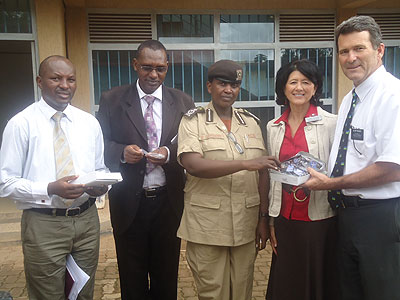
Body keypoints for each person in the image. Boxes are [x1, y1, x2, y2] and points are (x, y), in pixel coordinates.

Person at [303, 15, 400, 300]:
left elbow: (393, 168)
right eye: (344, 51)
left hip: (381, 218)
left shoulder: (393, 96)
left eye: (359, 49)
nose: (350, 58)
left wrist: (330, 184)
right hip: (347, 216)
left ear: (379, 50)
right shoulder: (350, 98)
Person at [0, 55, 108, 300]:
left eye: (71, 79)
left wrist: (100, 186)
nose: (64, 85)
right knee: (48, 295)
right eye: (56, 78)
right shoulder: (21, 124)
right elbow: (5, 182)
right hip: (43, 224)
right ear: (40, 81)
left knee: (82, 292)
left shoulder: (89, 123)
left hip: (86, 221)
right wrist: (49, 188)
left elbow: (99, 168)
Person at [97, 40, 194, 300]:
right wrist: (120, 152)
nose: (153, 75)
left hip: (168, 202)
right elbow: (99, 143)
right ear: (135, 65)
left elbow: (192, 143)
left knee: (166, 276)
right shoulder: (112, 100)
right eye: (147, 67)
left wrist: (170, 153)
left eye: (160, 69)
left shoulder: (183, 101)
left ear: (167, 67)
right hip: (129, 202)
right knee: (132, 277)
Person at [177, 59, 280, 300]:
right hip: (207, 225)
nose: (228, 90)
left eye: (234, 85)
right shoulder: (193, 121)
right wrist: (245, 164)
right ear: (209, 86)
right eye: (222, 84)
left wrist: (263, 218)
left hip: (246, 223)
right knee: (213, 292)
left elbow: (263, 172)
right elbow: (193, 165)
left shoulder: (251, 122)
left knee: (242, 290)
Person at [265, 59, 338, 300]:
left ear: (315, 88)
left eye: (306, 82)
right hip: (285, 217)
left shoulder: (331, 124)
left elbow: (339, 170)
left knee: (317, 280)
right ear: (283, 88)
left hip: (318, 217)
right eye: (293, 82)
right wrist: (272, 221)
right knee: (288, 281)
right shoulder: (273, 126)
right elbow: (272, 177)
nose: (299, 88)